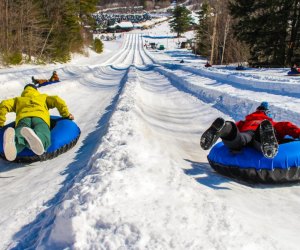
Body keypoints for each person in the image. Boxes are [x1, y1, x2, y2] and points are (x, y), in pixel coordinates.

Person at [0, 84, 74, 161]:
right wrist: (66, 115)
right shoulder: (43, 97)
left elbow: (4, 104)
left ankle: (14, 143)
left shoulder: (18, 99)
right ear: (36, 90)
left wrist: (0, 123)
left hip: (23, 118)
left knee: (20, 132)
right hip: (40, 118)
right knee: (43, 132)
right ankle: (39, 139)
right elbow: (57, 100)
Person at [200, 102, 300, 159]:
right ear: (267, 114)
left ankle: (225, 127)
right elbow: (287, 126)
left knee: (238, 139)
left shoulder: (245, 121)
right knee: (260, 139)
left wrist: (230, 130)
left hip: (247, 132)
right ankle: (266, 140)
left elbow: (236, 127)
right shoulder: (272, 123)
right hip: (260, 132)